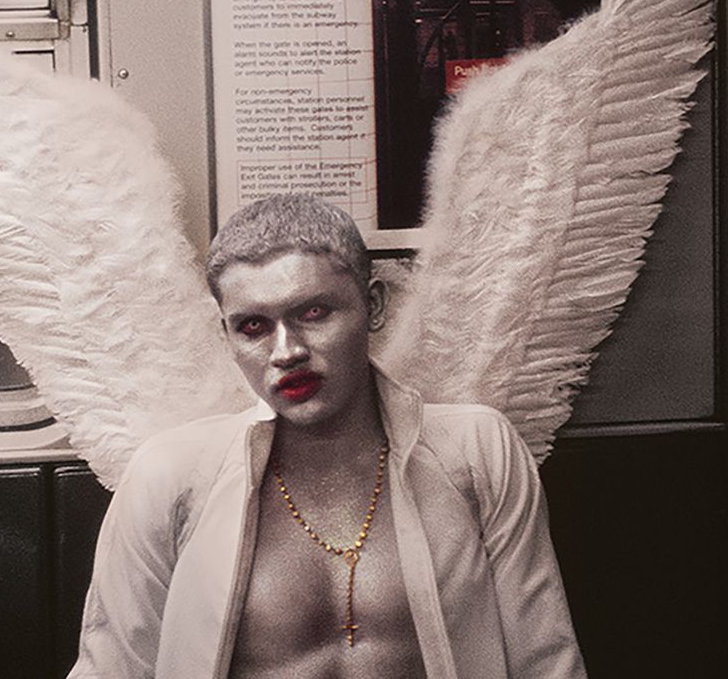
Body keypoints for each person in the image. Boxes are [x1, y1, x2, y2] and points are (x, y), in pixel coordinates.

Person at [68, 194, 586, 678]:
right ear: (227, 335)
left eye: (313, 313)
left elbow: (546, 662)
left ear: (374, 305)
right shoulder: (167, 474)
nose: (287, 351)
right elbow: (110, 669)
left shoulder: (477, 450)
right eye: (253, 327)